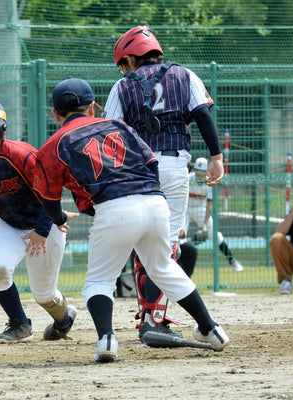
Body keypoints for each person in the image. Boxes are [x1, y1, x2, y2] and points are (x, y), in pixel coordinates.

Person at [34, 77, 229, 362]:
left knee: (99, 281)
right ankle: (211, 329)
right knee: (163, 267)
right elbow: (151, 162)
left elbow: (49, 200)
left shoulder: (52, 145)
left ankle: (107, 341)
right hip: (155, 202)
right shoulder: (118, 126)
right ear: (93, 108)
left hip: (114, 209)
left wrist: (60, 216)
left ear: (55, 114)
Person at [104, 26, 225, 339]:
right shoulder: (185, 75)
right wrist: (216, 157)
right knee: (166, 246)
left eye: (123, 63)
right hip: (173, 165)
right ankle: (154, 319)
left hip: (137, 169)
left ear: (131, 57)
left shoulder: (121, 85)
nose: (123, 69)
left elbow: (110, 133)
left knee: (144, 245)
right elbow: (202, 116)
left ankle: (151, 317)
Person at [0, 95, 77, 344]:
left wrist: (43, 229)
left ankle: (64, 319)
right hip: (10, 224)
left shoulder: (22, 155)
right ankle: (20, 324)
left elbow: (49, 191)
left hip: (45, 223)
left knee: (44, 295)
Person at [186, 157, 243, 272]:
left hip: (201, 209)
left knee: (215, 235)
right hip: (186, 208)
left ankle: (232, 260)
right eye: (198, 171)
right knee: (179, 233)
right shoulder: (188, 179)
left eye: (202, 172)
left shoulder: (209, 182)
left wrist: (205, 226)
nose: (199, 175)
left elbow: (209, 205)